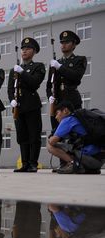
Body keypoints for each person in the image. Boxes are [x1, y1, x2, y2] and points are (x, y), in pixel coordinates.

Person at [46, 30, 87, 172]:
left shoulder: (79, 60)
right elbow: (49, 84)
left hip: (71, 98)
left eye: (67, 42)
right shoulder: (55, 63)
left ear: (74, 44)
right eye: (62, 43)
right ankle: (63, 163)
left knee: (73, 133)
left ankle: (76, 161)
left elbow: (76, 77)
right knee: (58, 133)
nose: (63, 45)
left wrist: (60, 67)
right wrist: (49, 96)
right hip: (58, 100)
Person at [8, 38, 46, 173]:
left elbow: (34, 83)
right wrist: (11, 99)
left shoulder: (39, 66)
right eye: (23, 48)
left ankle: (33, 163)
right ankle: (24, 163)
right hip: (18, 106)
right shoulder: (14, 70)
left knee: (33, 136)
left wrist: (23, 73)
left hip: (31, 105)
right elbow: (10, 88)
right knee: (22, 136)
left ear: (34, 51)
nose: (24, 51)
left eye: (28, 48)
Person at [46, 101, 104, 174]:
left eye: (57, 113)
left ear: (65, 110)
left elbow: (52, 141)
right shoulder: (79, 119)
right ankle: (86, 168)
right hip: (99, 161)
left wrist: (50, 139)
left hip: (90, 159)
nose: (56, 117)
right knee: (69, 144)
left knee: (50, 146)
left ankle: (73, 164)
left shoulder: (68, 120)